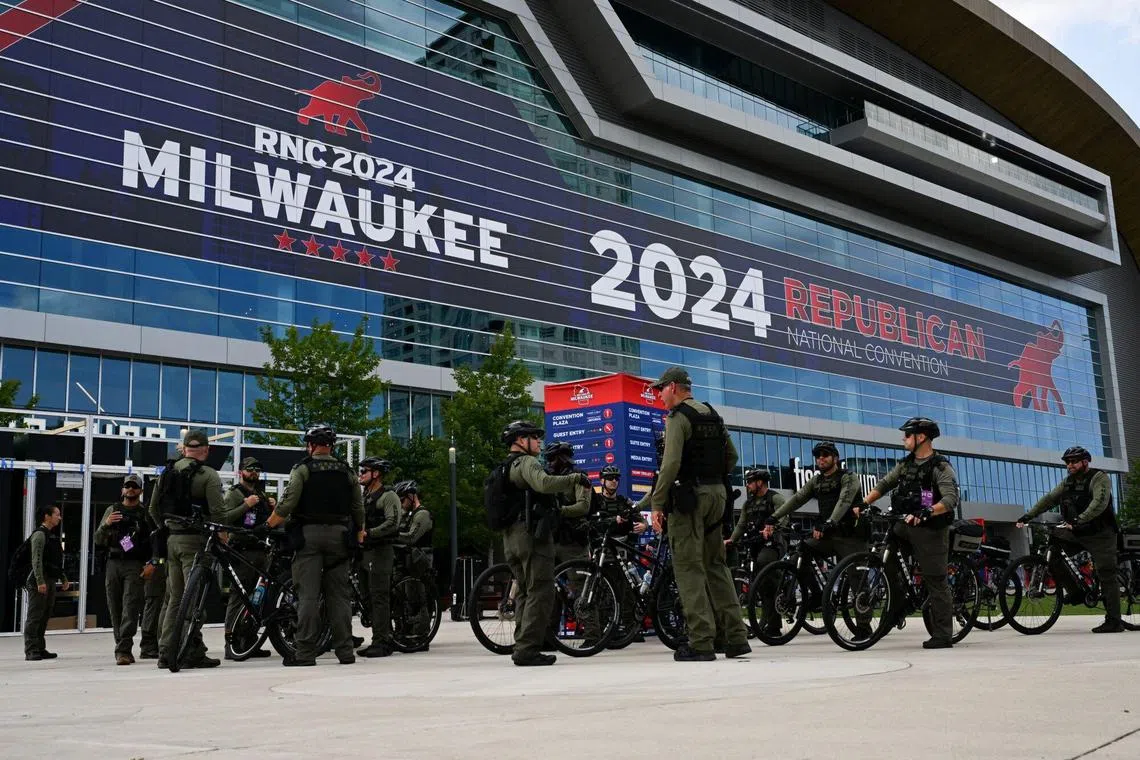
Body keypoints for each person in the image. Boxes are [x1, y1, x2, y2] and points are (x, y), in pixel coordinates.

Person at [649, 367, 749, 661]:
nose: (659, 395)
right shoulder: (712, 414)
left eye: (661, 389)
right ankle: (735, 637)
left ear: (675, 387)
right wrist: (713, 479)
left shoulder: (678, 417)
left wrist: (657, 503)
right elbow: (732, 456)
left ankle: (701, 641)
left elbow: (670, 465)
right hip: (718, 496)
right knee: (716, 566)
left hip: (690, 499)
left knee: (689, 567)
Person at [266, 424, 364, 666]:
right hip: (340, 537)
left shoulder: (303, 469)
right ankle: (345, 652)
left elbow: (288, 503)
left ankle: (305, 653)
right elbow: (357, 506)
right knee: (339, 597)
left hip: (309, 537)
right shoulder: (346, 471)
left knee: (307, 595)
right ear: (331, 446)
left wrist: (269, 525)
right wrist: (360, 530)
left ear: (310, 445)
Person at [859, 417, 959, 649]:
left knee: (936, 580)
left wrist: (928, 511)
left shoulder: (940, 466)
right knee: (887, 562)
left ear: (921, 437)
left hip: (931, 530)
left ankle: (943, 634)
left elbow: (950, 499)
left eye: (907, 435)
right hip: (904, 525)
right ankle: (898, 605)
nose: (903, 439)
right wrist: (863, 503)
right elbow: (884, 485)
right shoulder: (905, 465)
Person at [497, 420, 586, 666]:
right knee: (541, 591)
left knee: (525, 591)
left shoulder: (506, 466)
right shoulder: (526, 462)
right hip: (531, 536)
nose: (539, 442)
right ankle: (528, 649)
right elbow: (544, 483)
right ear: (520, 440)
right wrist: (575, 479)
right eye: (534, 438)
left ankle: (522, 643)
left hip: (511, 536)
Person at [1016, 446, 1124, 633]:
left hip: (1101, 533)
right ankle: (1075, 593)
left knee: (1106, 572)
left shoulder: (1099, 478)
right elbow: (1049, 499)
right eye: (1067, 462)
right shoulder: (1068, 483)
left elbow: (1099, 502)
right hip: (1077, 530)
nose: (1070, 465)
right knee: (1054, 551)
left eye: (1074, 461)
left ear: (1085, 462)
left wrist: (1078, 519)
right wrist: (1028, 515)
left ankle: (1114, 620)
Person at [149, 429, 225, 669]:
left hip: (172, 541)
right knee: (193, 601)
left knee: (174, 599)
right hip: (195, 542)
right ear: (206, 449)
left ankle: (166, 651)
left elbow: (153, 509)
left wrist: (168, 528)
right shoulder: (208, 475)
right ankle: (187, 652)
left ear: (184, 448)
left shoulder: (167, 472)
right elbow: (218, 513)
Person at [94, 474, 152, 665]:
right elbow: (97, 540)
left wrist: (151, 563)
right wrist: (106, 524)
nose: (130, 489)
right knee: (115, 607)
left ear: (141, 491)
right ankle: (121, 646)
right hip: (113, 562)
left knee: (130, 606)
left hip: (134, 563)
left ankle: (124, 649)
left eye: (134, 486)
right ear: (122, 489)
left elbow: (153, 541)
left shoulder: (145, 513)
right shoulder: (113, 510)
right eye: (127, 486)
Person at [221, 457, 273, 659]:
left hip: (260, 551)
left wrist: (270, 506)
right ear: (241, 471)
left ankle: (249, 641)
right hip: (241, 551)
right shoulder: (235, 493)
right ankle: (230, 643)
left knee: (257, 598)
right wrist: (245, 505)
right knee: (238, 596)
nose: (254, 473)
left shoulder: (260, 494)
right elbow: (224, 518)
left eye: (257, 470)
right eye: (250, 469)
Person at [356, 456, 401, 658]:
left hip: (381, 551)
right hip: (365, 552)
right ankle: (379, 635)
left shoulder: (388, 496)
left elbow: (393, 522)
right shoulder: (364, 496)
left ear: (376, 474)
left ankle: (383, 641)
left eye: (364, 471)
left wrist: (370, 533)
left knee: (379, 597)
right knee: (367, 597)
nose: (361, 475)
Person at [23, 505, 70, 661]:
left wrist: (62, 578)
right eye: (57, 514)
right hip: (39, 580)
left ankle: (40, 647)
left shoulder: (51, 536)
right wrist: (39, 581)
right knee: (35, 615)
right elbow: (36, 560)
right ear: (47, 516)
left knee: (45, 614)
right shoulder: (39, 535)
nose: (59, 517)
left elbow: (54, 561)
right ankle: (31, 649)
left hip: (49, 579)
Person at [394, 479, 434, 650]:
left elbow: (411, 537)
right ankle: (405, 631)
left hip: (420, 561)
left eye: (403, 500)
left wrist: (390, 536)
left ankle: (420, 635)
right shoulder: (410, 514)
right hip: (409, 561)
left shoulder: (422, 514)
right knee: (405, 597)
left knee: (417, 598)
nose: (402, 504)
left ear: (411, 496)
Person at [545, 442, 593, 567]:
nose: (549, 463)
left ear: (562, 458)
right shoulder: (549, 478)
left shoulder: (579, 476)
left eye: (551, 459)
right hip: (551, 538)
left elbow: (583, 507)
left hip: (573, 540)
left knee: (578, 581)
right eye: (547, 459)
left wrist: (559, 511)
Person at [726, 468, 786, 568]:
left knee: (764, 561)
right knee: (746, 567)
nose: (747, 485)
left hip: (775, 542)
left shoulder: (775, 498)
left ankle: (778, 581)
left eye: (749, 482)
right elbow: (741, 525)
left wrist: (772, 529)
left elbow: (783, 518)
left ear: (760, 482)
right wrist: (731, 540)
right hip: (755, 542)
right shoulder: (748, 504)